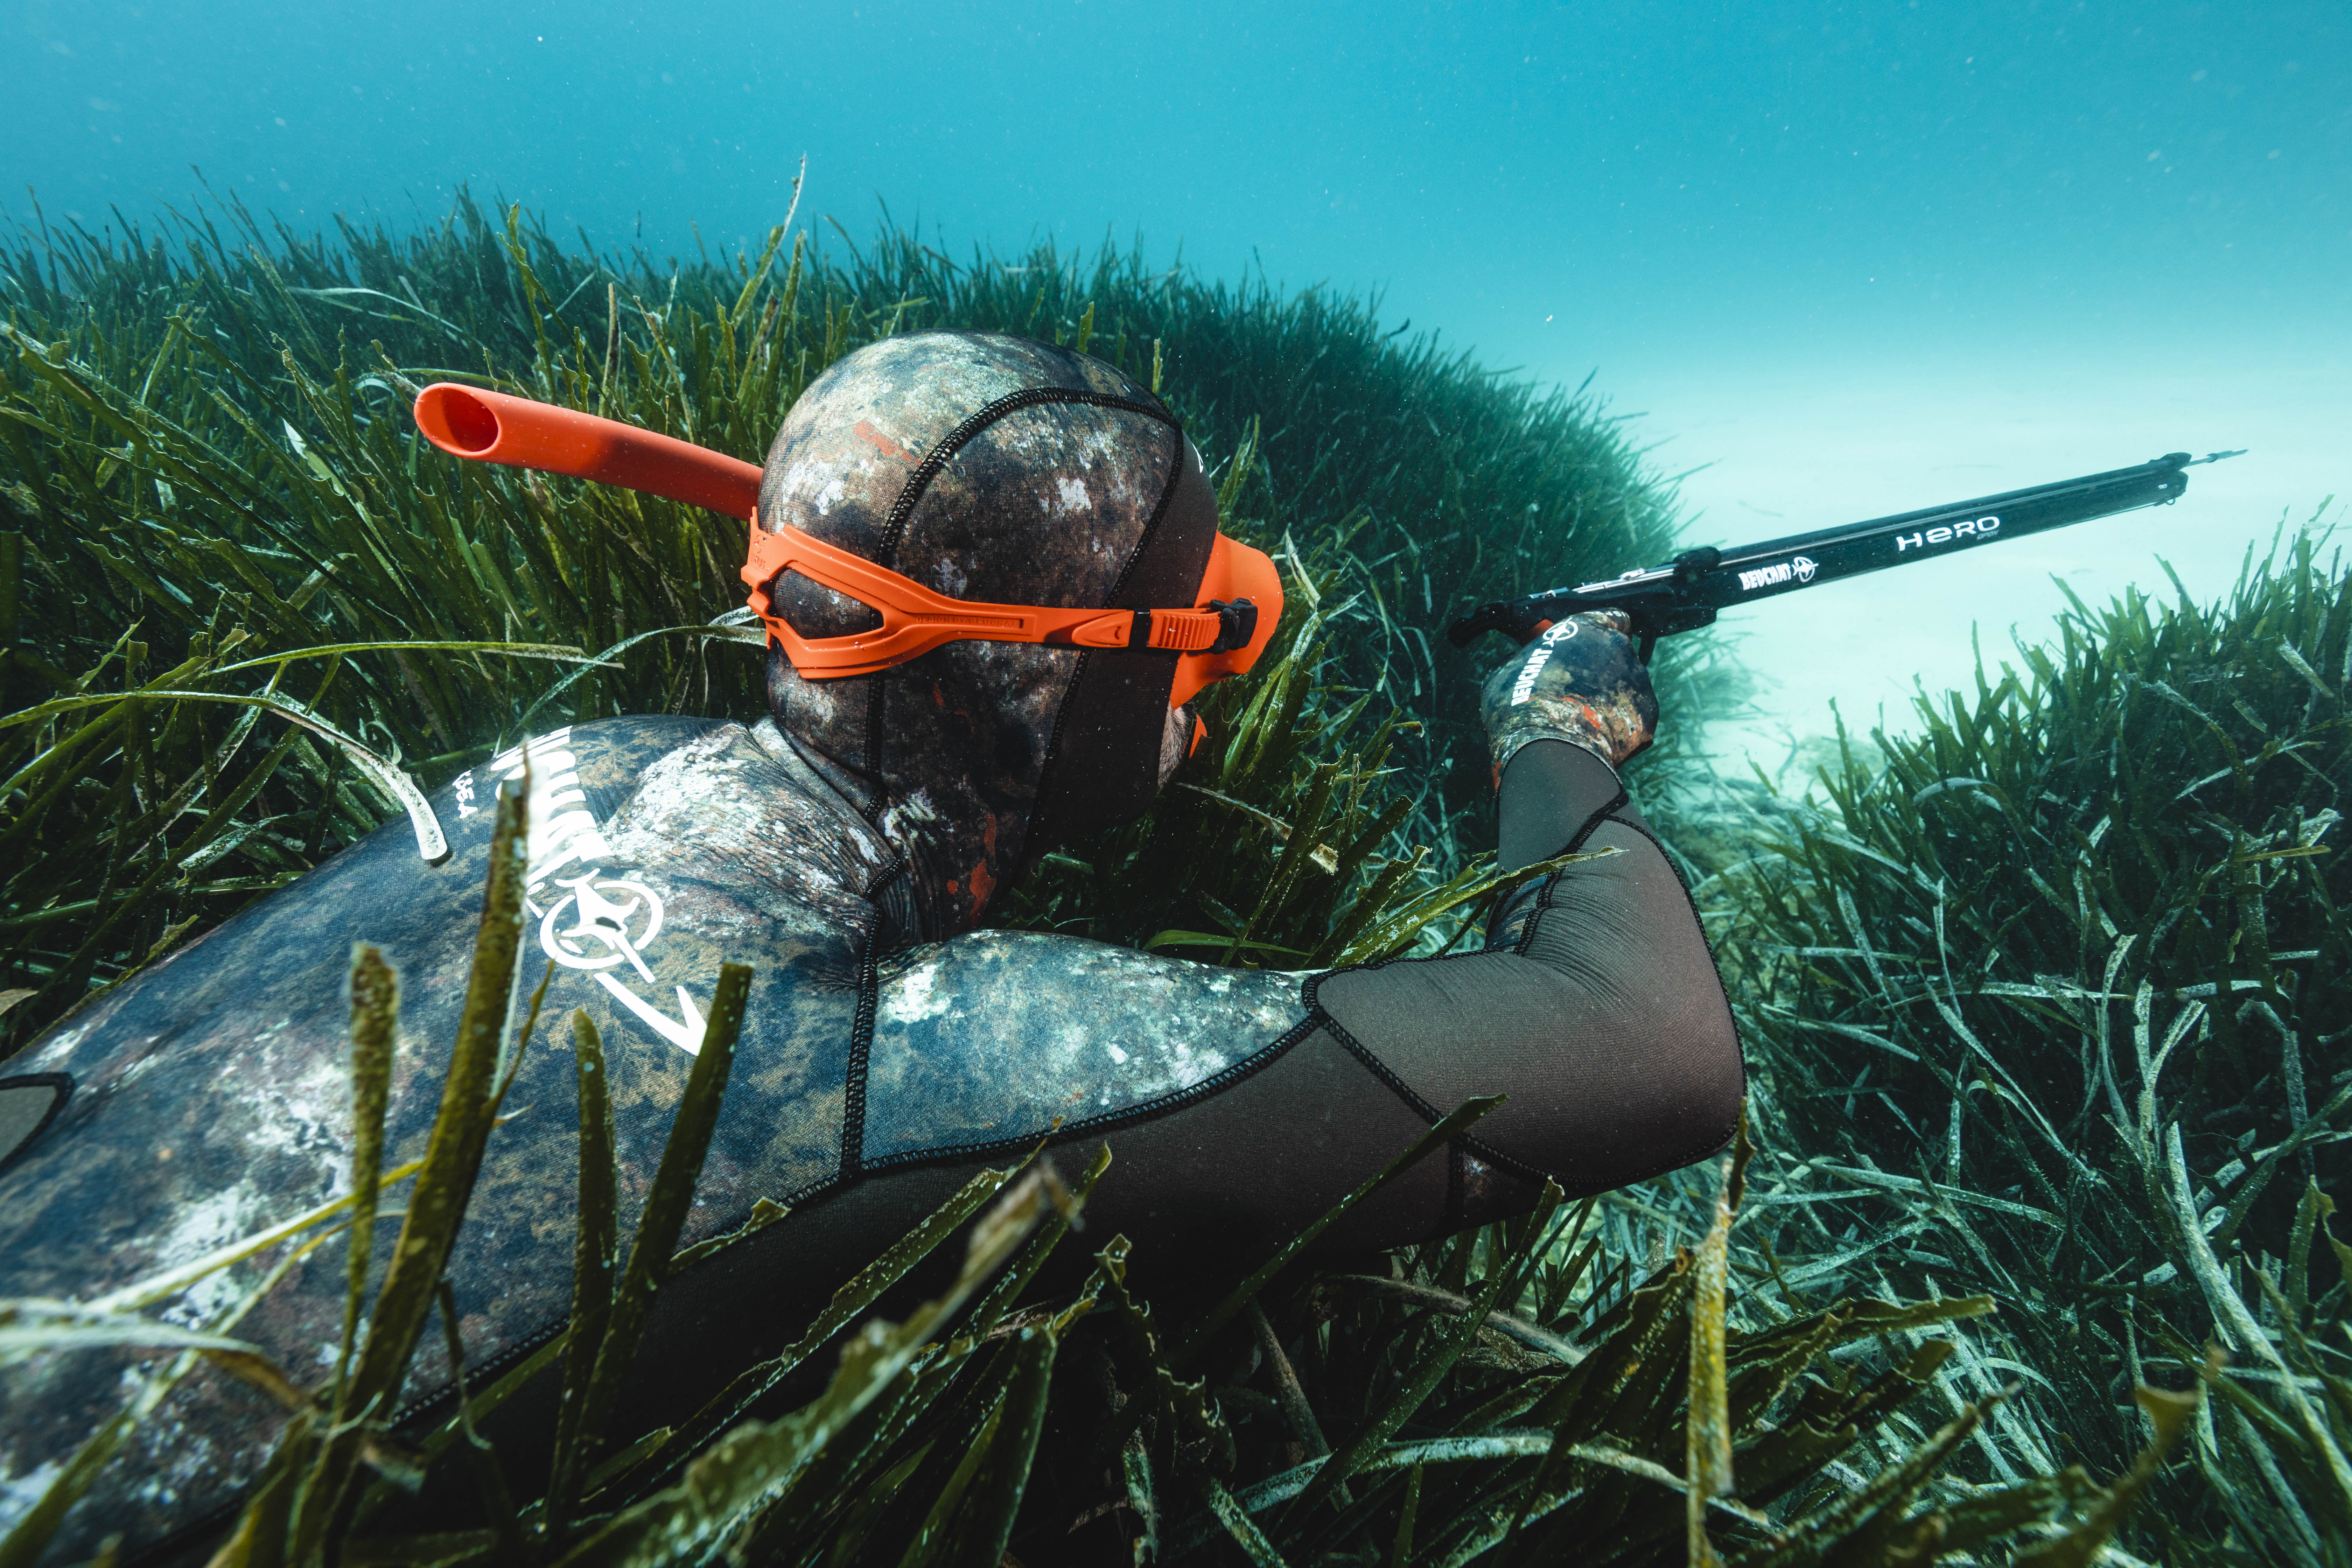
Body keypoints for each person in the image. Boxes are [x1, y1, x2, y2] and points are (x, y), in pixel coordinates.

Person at [0, 331, 1742, 1561]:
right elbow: (1645, 1044)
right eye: (1192, 613)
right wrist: (1559, 733)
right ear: (1065, 668)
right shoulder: (905, 1059)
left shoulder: (572, 763)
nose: (1220, 656)